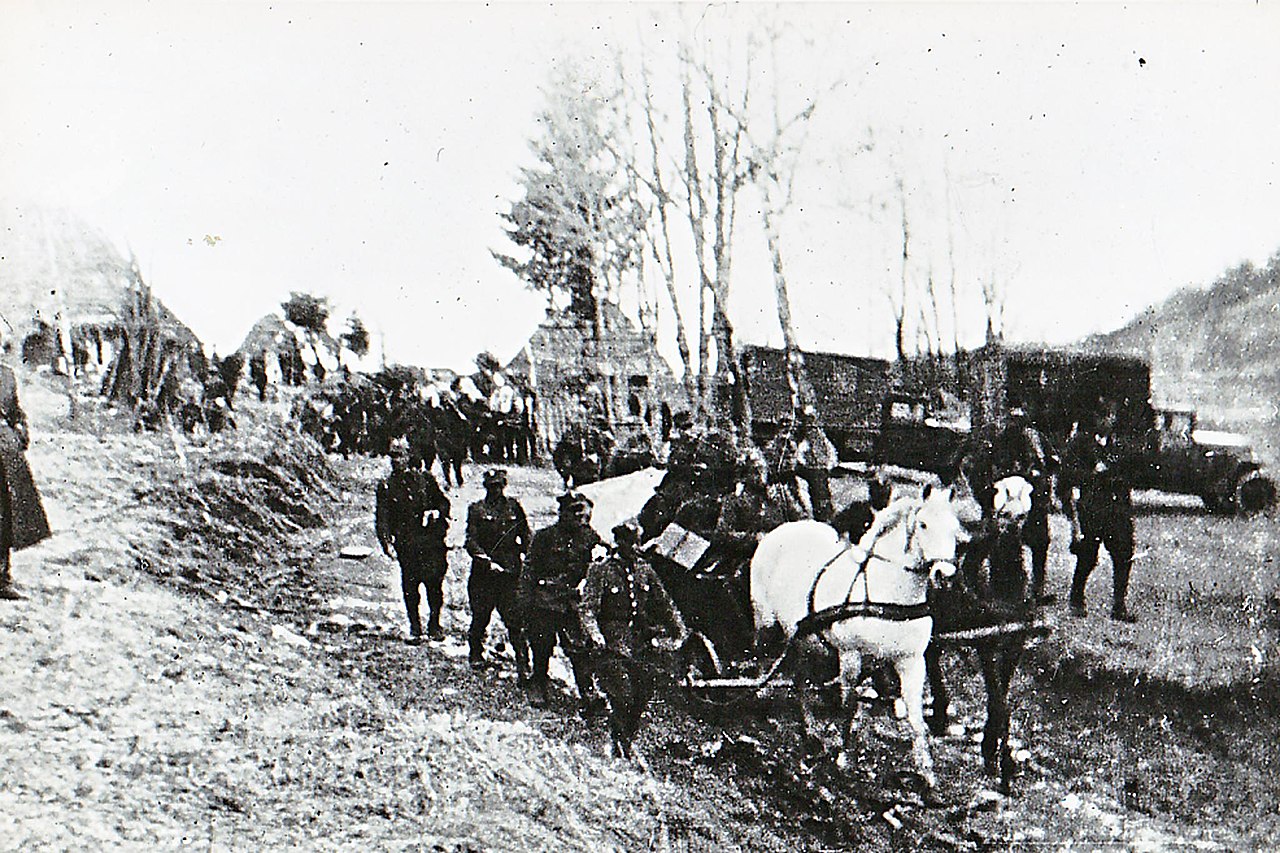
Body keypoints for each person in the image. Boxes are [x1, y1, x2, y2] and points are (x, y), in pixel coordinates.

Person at [580, 521, 688, 761]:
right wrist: (596, 636)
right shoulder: (602, 570)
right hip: (611, 644)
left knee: (641, 695)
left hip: (640, 644)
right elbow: (587, 608)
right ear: (620, 543)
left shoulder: (644, 570)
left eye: (637, 542)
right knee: (622, 695)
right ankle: (617, 744)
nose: (636, 548)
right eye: (631, 543)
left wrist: (679, 632)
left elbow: (665, 603)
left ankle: (624, 739)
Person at [521, 491, 606, 711]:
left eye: (582, 514)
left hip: (573, 605)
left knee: (580, 651)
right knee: (542, 647)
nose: (579, 518)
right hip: (545, 602)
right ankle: (539, 684)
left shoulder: (589, 537)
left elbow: (602, 559)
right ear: (562, 513)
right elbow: (529, 570)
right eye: (573, 513)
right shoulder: (545, 536)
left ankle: (587, 692)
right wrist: (524, 603)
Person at [1058, 400, 1139, 622]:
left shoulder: (1118, 444)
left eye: (1111, 416)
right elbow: (1067, 476)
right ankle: (1076, 597)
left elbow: (1132, 471)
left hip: (1118, 509)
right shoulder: (1080, 443)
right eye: (1105, 416)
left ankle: (1119, 605)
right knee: (1087, 557)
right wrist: (1094, 474)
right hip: (1093, 509)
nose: (1109, 421)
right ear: (1095, 418)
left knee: (1123, 556)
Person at [375, 441, 452, 641]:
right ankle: (415, 626)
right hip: (407, 544)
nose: (396, 461)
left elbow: (443, 503)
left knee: (434, 586)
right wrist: (386, 543)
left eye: (400, 456)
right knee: (410, 588)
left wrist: (436, 512)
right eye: (393, 456)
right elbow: (382, 518)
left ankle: (434, 624)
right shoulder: (386, 486)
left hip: (431, 543)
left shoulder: (425, 479)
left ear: (409, 457)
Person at [464, 469, 531, 676]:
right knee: (481, 616)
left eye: (499, 485)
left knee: (515, 619)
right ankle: (476, 654)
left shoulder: (514, 507)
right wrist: (485, 561)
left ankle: (523, 659)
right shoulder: (477, 510)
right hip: (485, 574)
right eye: (492, 486)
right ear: (486, 487)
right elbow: (471, 541)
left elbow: (525, 534)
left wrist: (528, 558)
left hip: (510, 573)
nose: (496, 490)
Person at [0, 354, 51, 600]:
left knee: (6, 515)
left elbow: (16, 411)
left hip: (6, 453)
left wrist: (21, 429)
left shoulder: (7, 375)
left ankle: (1, 578)